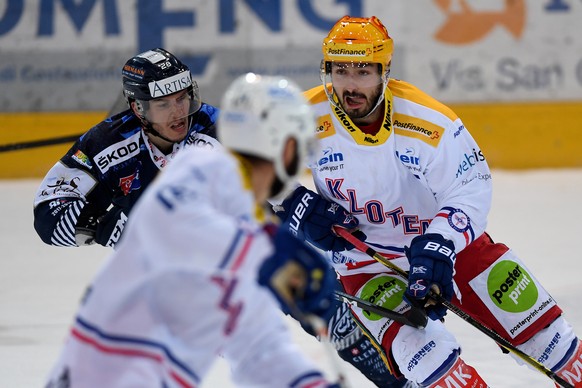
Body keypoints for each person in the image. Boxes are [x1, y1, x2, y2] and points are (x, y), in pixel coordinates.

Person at [274, 15, 582, 387]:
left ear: (384, 70)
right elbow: (242, 166)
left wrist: (442, 243)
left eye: (362, 72)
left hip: (448, 247)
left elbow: (471, 185)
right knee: (433, 368)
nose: (349, 85)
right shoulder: (299, 116)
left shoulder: (430, 121)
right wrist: (290, 202)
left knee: (551, 342)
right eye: (340, 71)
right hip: (366, 265)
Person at [44, 73, 342, 387]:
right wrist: (272, 249)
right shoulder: (194, 168)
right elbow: (174, 228)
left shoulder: (243, 243)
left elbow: (261, 354)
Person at [33, 48, 220, 248]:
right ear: (138, 108)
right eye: (163, 105)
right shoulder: (107, 142)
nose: (179, 112)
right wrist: (96, 225)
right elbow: (48, 211)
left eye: (182, 98)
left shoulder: (219, 130)